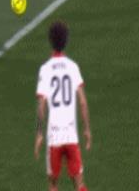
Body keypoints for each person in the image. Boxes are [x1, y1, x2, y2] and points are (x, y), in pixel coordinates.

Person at [35, 20, 91, 191]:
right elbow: (82, 102)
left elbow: (41, 105)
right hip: (71, 136)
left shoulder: (45, 69)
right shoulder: (73, 67)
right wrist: (87, 129)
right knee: (79, 183)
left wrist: (39, 133)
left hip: (54, 138)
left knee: (53, 184)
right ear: (66, 40)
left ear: (50, 41)